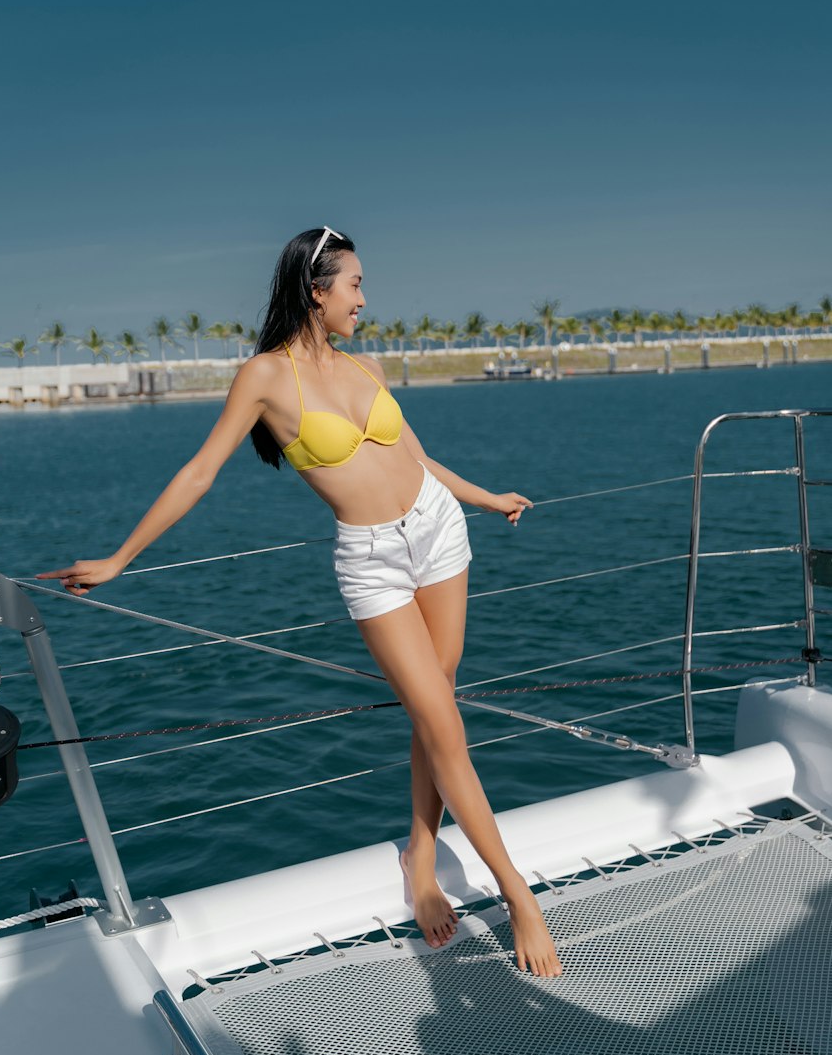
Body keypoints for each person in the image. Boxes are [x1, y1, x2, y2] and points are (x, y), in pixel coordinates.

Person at [40, 227, 562, 977]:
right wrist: (122, 557)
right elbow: (198, 473)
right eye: (354, 285)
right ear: (316, 290)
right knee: (443, 725)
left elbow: (414, 458)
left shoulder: (368, 366)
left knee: (436, 710)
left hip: (441, 535)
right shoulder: (262, 378)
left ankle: (422, 855)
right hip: (374, 563)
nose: (364, 299)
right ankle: (519, 895)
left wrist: (484, 500)